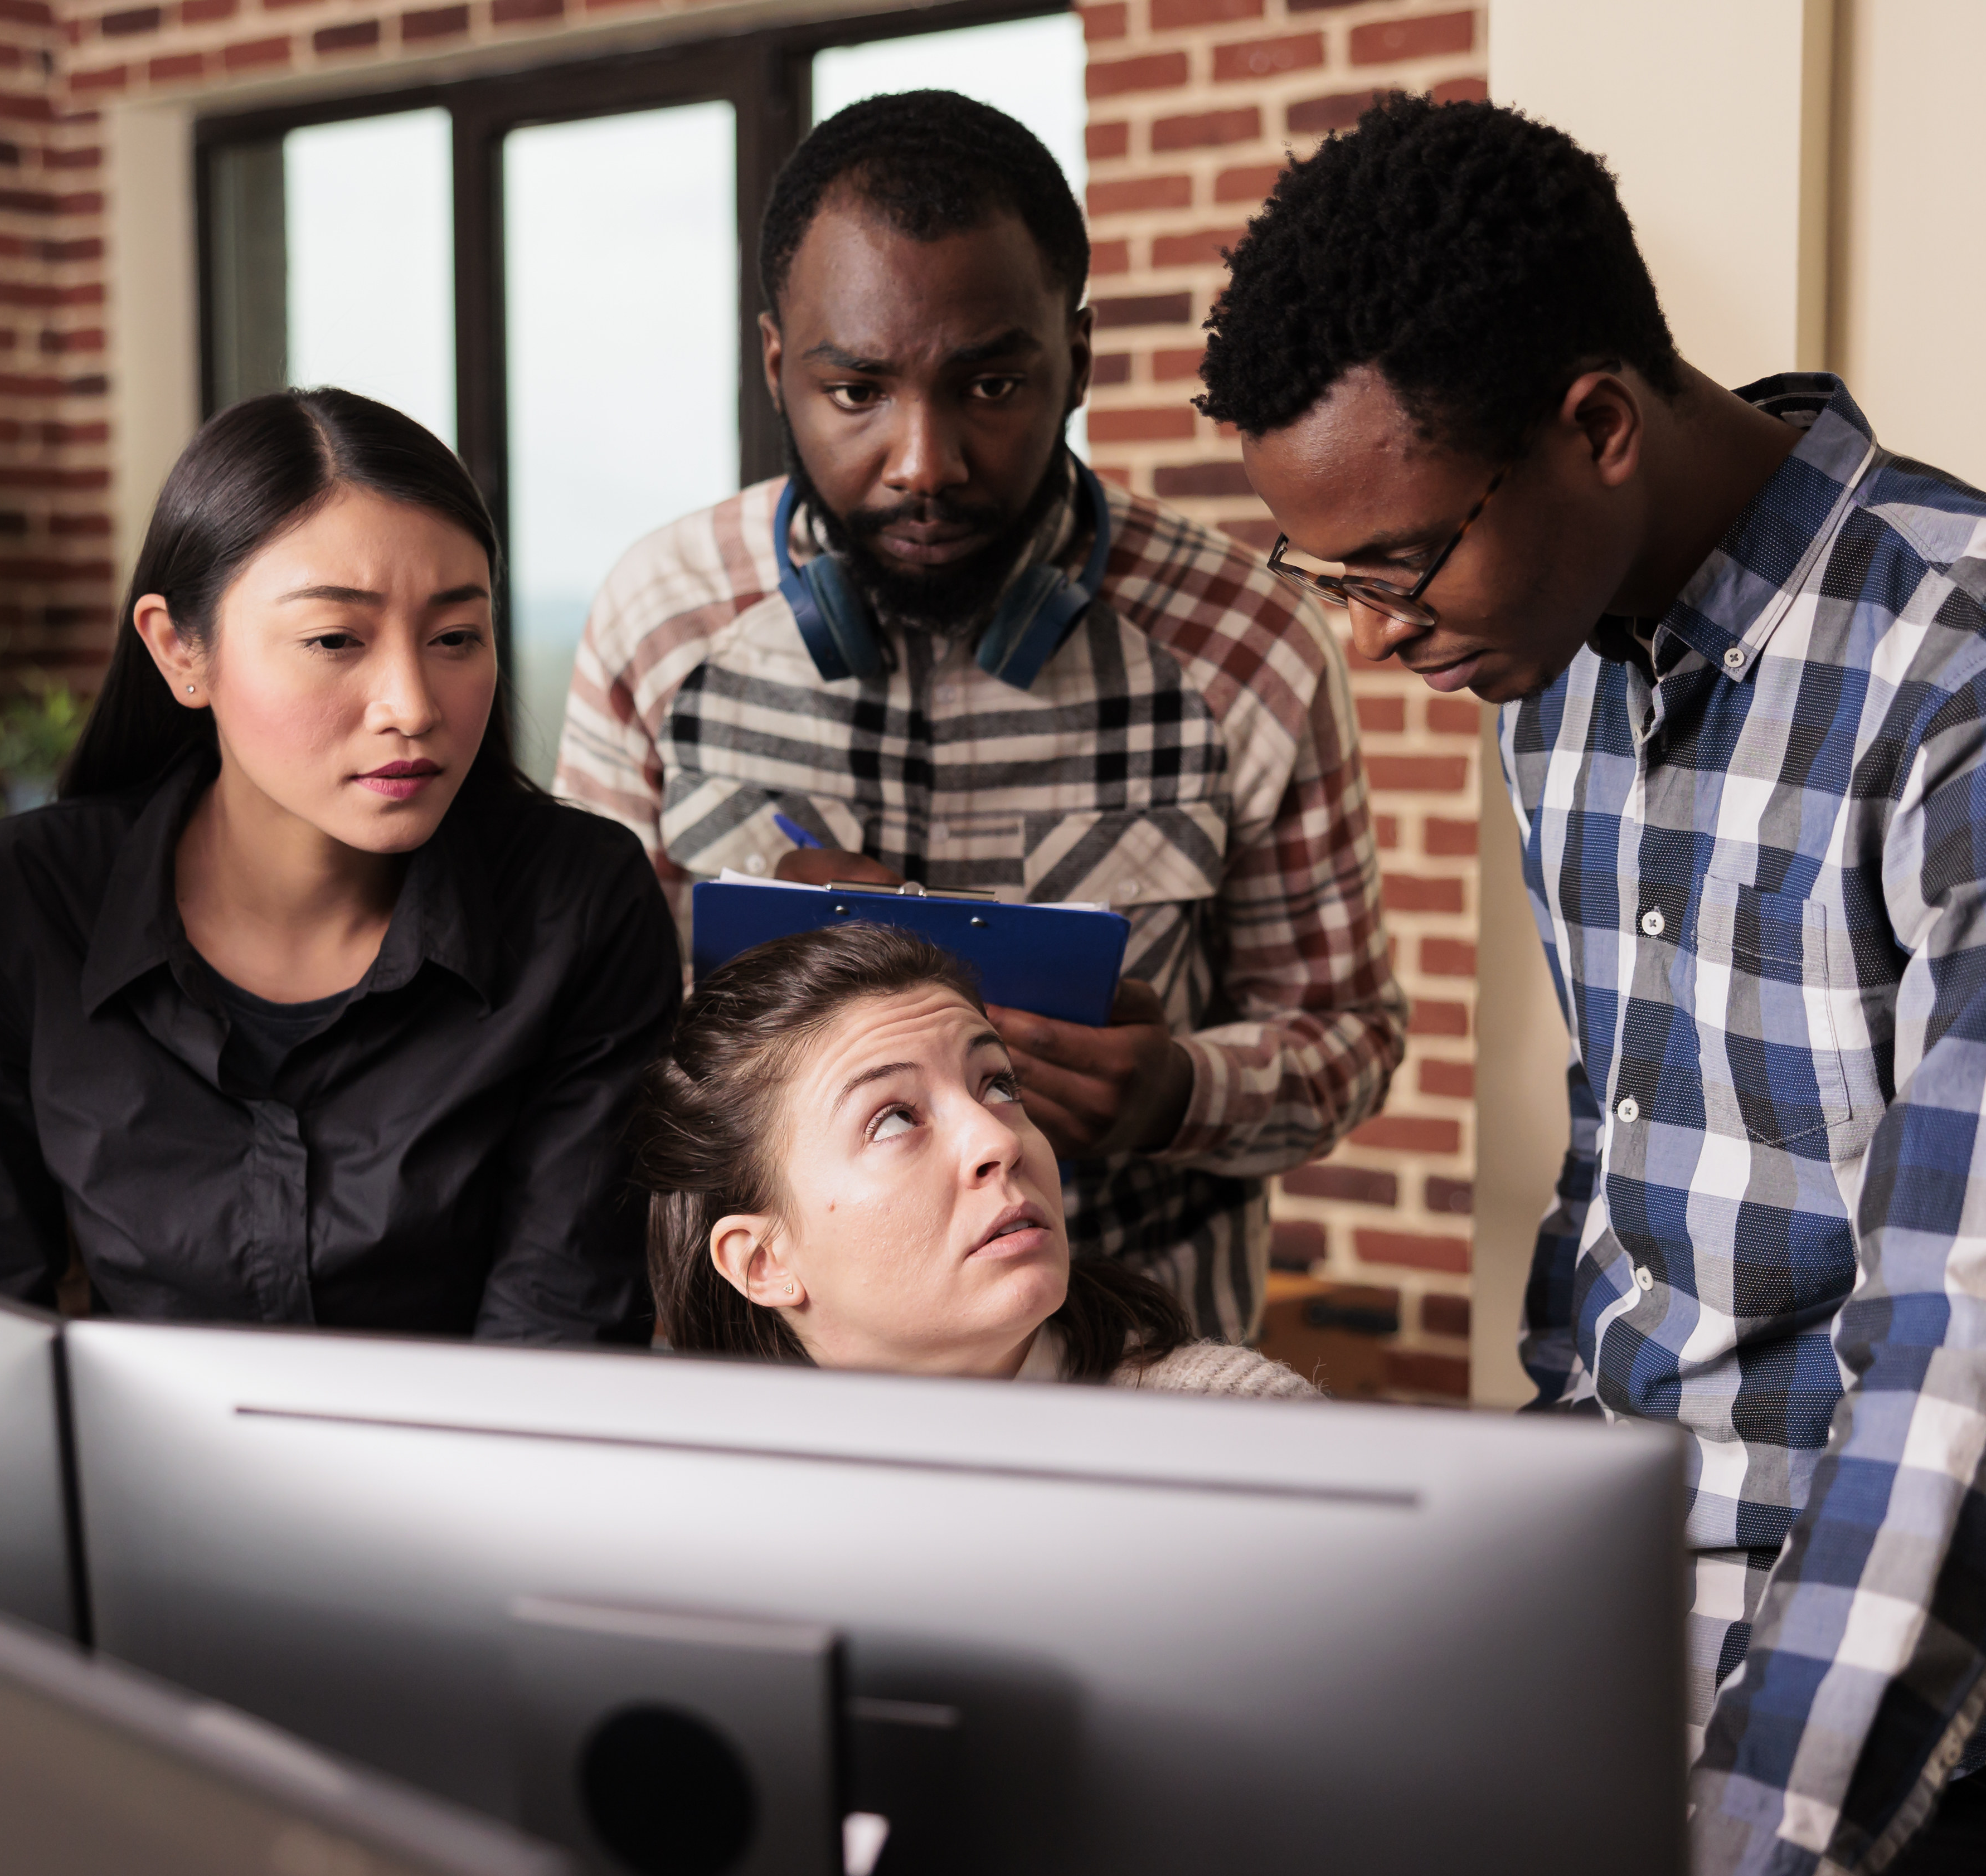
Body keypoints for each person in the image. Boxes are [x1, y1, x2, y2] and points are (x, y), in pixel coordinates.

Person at [1203, 95, 1986, 1876]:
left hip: (1934, 1679)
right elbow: (1620, 1155)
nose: (1370, 636)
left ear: (1595, 426)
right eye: (1326, 579)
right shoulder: (1546, 670)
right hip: (1634, 1598)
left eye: (1400, 565)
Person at [555, 91, 1405, 1344]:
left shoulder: (1247, 645)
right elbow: (577, 1046)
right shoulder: (660, 620)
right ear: (775, 363)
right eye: (854, 392)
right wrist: (749, 992)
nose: (922, 460)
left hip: (1138, 1386)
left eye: (991, 383)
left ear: (1081, 355)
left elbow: (1348, 1036)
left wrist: (1178, 1090)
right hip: (771, 1394)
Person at [0, 389, 679, 1340]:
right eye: (334, 640)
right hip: (123, 1484)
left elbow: (559, 1338)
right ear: (180, 649)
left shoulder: (578, 906)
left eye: (455, 638)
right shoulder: (20, 904)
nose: (411, 705)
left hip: (471, 1479)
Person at [634, 924, 1317, 1397]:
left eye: (999, 1086)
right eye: (894, 1118)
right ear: (764, 1263)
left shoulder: (1238, 1425)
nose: (1001, 1141)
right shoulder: (689, 1504)